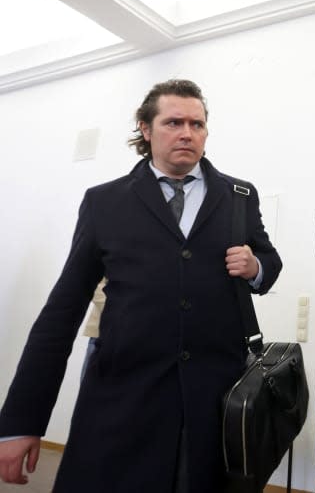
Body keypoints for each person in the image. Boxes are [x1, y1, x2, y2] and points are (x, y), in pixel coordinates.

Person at [0, 79, 282, 492]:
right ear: (145, 129)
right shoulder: (104, 202)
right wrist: (21, 421)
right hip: (122, 401)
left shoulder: (240, 195)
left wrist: (256, 266)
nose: (188, 133)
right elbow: (62, 312)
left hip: (211, 405)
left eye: (197, 124)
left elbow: (270, 264)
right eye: (173, 122)